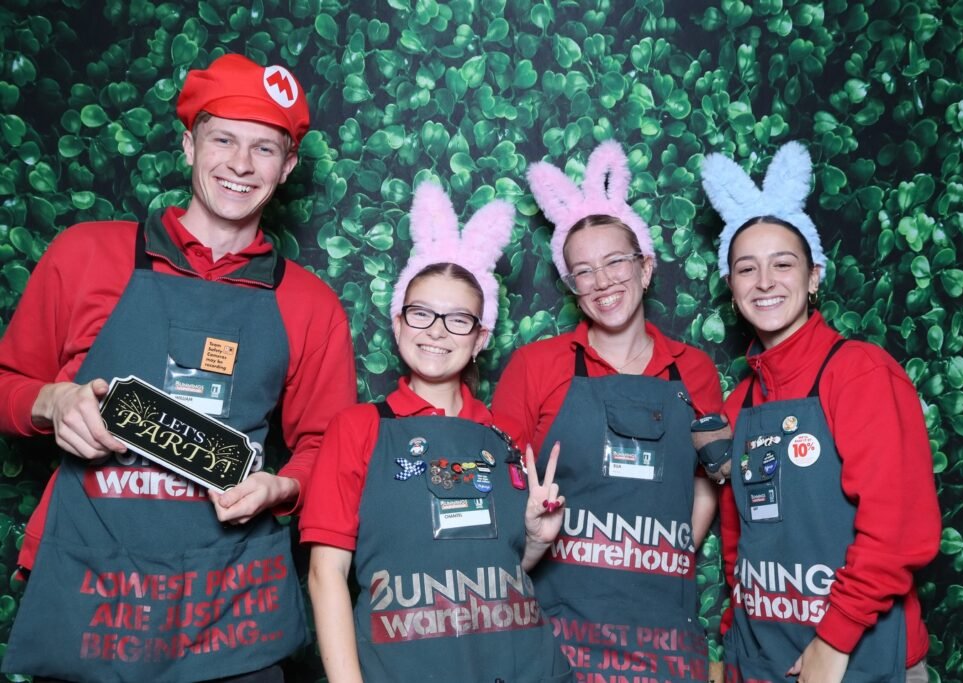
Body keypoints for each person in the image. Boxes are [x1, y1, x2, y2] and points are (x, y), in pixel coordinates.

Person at [0, 54, 356, 682]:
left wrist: (283, 488)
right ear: (189, 145)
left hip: (231, 605)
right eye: (223, 140)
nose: (241, 164)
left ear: (288, 166)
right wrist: (53, 402)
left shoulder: (310, 304)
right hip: (92, 588)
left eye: (264, 148)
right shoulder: (85, 254)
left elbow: (327, 445)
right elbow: (7, 382)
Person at [301, 180, 572, 682]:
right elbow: (326, 575)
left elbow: (498, 573)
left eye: (458, 319)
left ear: (480, 338)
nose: (436, 330)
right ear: (398, 323)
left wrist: (536, 540)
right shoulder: (358, 429)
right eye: (421, 313)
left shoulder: (507, 436)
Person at [701, 141, 940, 683]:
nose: (765, 281)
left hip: (859, 658)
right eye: (746, 268)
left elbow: (901, 528)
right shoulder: (740, 403)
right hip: (762, 658)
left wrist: (833, 640)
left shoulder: (859, 373)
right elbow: (742, 544)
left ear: (813, 277)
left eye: (783, 264)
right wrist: (736, 644)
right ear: (732, 287)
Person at [491, 140, 723, 682]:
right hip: (559, 635)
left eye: (616, 261)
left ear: (646, 267)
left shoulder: (694, 371)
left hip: (664, 636)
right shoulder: (536, 366)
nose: (603, 282)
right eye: (584, 271)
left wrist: (662, 557)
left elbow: (707, 480)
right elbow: (501, 486)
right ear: (572, 287)